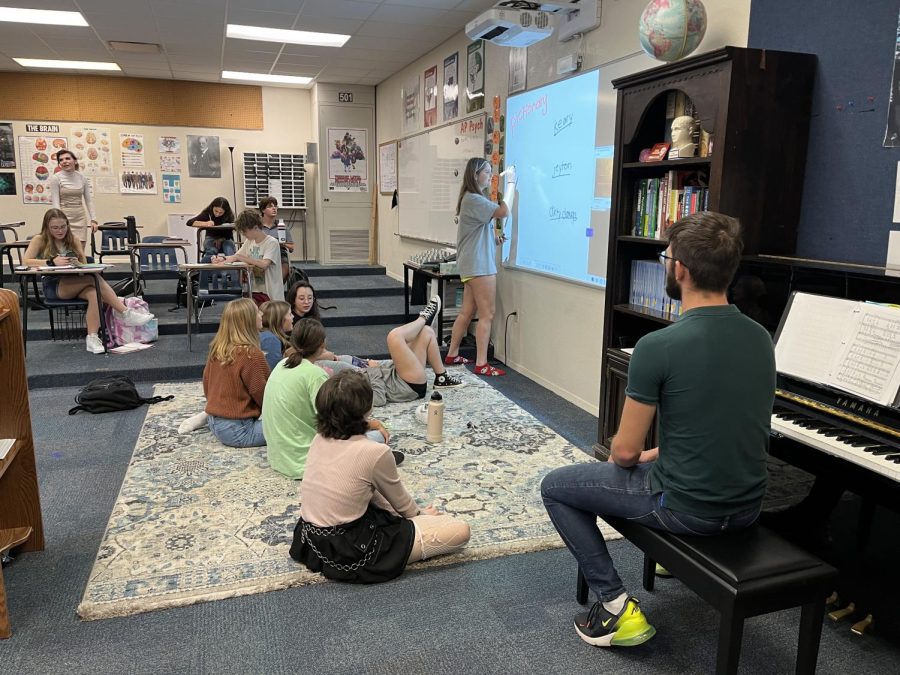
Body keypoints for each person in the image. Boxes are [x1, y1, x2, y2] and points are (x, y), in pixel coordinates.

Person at [540, 212, 775, 648]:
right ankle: (666, 562)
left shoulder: (657, 347)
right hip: (747, 508)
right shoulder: (760, 338)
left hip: (690, 510)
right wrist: (661, 453)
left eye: (667, 258)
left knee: (556, 487)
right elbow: (716, 421)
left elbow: (624, 453)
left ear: (679, 269)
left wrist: (632, 455)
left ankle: (614, 606)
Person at [289, 369, 471, 583]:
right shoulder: (375, 452)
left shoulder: (319, 438)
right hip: (352, 548)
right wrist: (422, 516)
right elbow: (404, 506)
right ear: (368, 408)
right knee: (460, 531)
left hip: (309, 539)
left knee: (378, 503)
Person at [262, 319, 391, 480]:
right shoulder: (314, 374)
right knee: (377, 438)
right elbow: (336, 424)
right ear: (323, 344)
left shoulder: (282, 364)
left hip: (279, 458)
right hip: (305, 462)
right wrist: (373, 424)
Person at [22, 208, 154, 354]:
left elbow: (84, 265)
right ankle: (124, 313)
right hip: (55, 286)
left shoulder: (74, 239)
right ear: (47, 227)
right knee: (94, 279)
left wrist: (76, 262)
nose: (60, 231)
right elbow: (26, 261)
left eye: (63, 227)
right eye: (55, 228)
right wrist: (51, 262)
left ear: (67, 225)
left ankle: (92, 338)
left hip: (76, 281)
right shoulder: (39, 239)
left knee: (94, 293)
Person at [320, 295, 463, 406]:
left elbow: (369, 364)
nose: (327, 350)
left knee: (426, 332)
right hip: (406, 385)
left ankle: (441, 377)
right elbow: (378, 399)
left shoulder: (335, 359)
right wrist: (374, 370)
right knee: (394, 337)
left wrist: (393, 362)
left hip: (398, 373)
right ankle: (423, 318)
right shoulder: (328, 372)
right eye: (321, 349)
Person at [444, 157, 510, 376]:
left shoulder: (471, 199)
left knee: (467, 311)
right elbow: (503, 212)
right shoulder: (473, 198)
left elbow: (476, 235)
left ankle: (452, 353)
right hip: (479, 266)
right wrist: (509, 187)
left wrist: (495, 241)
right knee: (487, 314)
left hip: (472, 263)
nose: (490, 176)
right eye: (487, 171)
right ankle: (482, 363)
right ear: (475, 175)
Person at [202, 298, 270, 448]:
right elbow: (264, 395)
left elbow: (207, 385)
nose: (262, 314)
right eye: (257, 311)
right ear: (248, 320)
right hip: (239, 429)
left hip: (214, 422)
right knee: (296, 424)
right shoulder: (251, 354)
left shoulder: (217, 349)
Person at [216, 209, 284, 302]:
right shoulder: (249, 241)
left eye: (245, 231)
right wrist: (222, 259)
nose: (243, 234)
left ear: (256, 227)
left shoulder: (272, 242)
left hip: (272, 294)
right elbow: (235, 257)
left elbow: (264, 264)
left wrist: (239, 257)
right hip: (256, 292)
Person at [49, 149, 98, 247]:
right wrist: (59, 221)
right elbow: (55, 203)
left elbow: (88, 200)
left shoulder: (82, 178)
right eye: (61, 160)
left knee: (80, 250)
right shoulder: (56, 178)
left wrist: (93, 219)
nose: (64, 161)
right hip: (63, 217)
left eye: (67, 158)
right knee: (64, 250)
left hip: (80, 216)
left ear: (75, 161)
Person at [189, 197, 235, 262]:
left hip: (226, 238)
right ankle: (206, 268)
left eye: (221, 212)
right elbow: (190, 222)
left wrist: (221, 239)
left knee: (229, 250)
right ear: (212, 207)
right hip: (211, 238)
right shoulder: (208, 214)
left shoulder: (229, 215)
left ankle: (233, 271)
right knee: (212, 250)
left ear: (225, 211)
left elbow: (229, 234)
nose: (217, 214)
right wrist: (205, 223)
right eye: (216, 211)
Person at [258, 196, 294, 281]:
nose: (274, 208)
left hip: (279, 254)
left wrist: (282, 243)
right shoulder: (258, 227)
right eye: (270, 206)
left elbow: (292, 247)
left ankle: (277, 288)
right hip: (262, 254)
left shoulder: (282, 226)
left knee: (284, 269)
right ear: (263, 210)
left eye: (275, 206)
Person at [259, 300, 292, 370]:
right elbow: (273, 372)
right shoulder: (270, 340)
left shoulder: (266, 335)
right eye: (290, 314)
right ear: (280, 319)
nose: (293, 317)